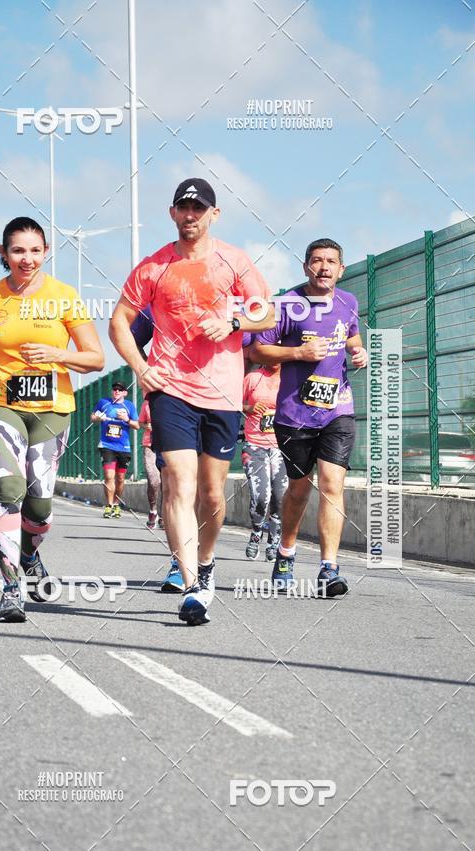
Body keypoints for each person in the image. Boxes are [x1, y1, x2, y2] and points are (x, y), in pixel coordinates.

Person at [109, 177, 275, 625]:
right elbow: (119, 324)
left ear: (213, 215)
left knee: (212, 494)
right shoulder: (154, 267)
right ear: (172, 213)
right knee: (179, 485)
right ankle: (193, 585)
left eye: (198, 209)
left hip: (221, 392)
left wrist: (237, 321)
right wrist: (143, 369)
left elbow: (269, 310)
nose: (190, 216)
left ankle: (206, 562)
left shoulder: (233, 261)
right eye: (183, 208)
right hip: (171, 391)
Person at [0, 216, 104, 622]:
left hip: (52, 408)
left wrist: (59, 356)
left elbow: (95, 359)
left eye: (35, 250)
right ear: (3, 254)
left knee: (39, 504)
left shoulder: (64, 297)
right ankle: (11, 588)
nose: (27, 259)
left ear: (46, 252)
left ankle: (29, 553)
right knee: (8, 488)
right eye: (18, 251)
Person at [251, 238, 368, 597]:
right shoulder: (286, 305)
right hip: (294, 414)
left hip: (337, 410)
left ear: (341, 269)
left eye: (331, 261)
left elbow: (351, 335)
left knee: (333, 484)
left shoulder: (348, 301)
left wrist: (358, 350)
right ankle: (285, 552)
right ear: (305, 267)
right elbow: (257, 349)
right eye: (317, 261)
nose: (324, 267)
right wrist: (299, 352)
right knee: (299, 490)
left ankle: (328, 568)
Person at [241, 363, 287, 560]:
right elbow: (231, 402)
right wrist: (248, 407)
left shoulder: (291, 376)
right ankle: (257, 531)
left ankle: (274, 539)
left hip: (282, 447)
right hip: (255, 445)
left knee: (280, 497)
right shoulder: (252, 378)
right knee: (261, 497)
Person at [90, 381, 139, 518]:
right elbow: (93, 417)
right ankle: (109, 505)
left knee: (120, 478)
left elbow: (137, 425)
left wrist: (126, 419)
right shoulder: (103, 403)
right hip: (107, 446)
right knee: (109, 476)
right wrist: (98, 418)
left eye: (120, 389)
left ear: (125, 392)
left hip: (123, 447)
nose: (116, 391)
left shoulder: (129, 406)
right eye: (114, 389)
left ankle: (117, 504)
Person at [138, 397, 162, 528]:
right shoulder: (147, 403)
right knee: (154, 481)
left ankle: (164, 515)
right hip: (149, 444)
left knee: (167, 481)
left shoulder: (173, 401)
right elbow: (140, 422)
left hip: (168, 444)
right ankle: (153, 510)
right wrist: (147, 425)